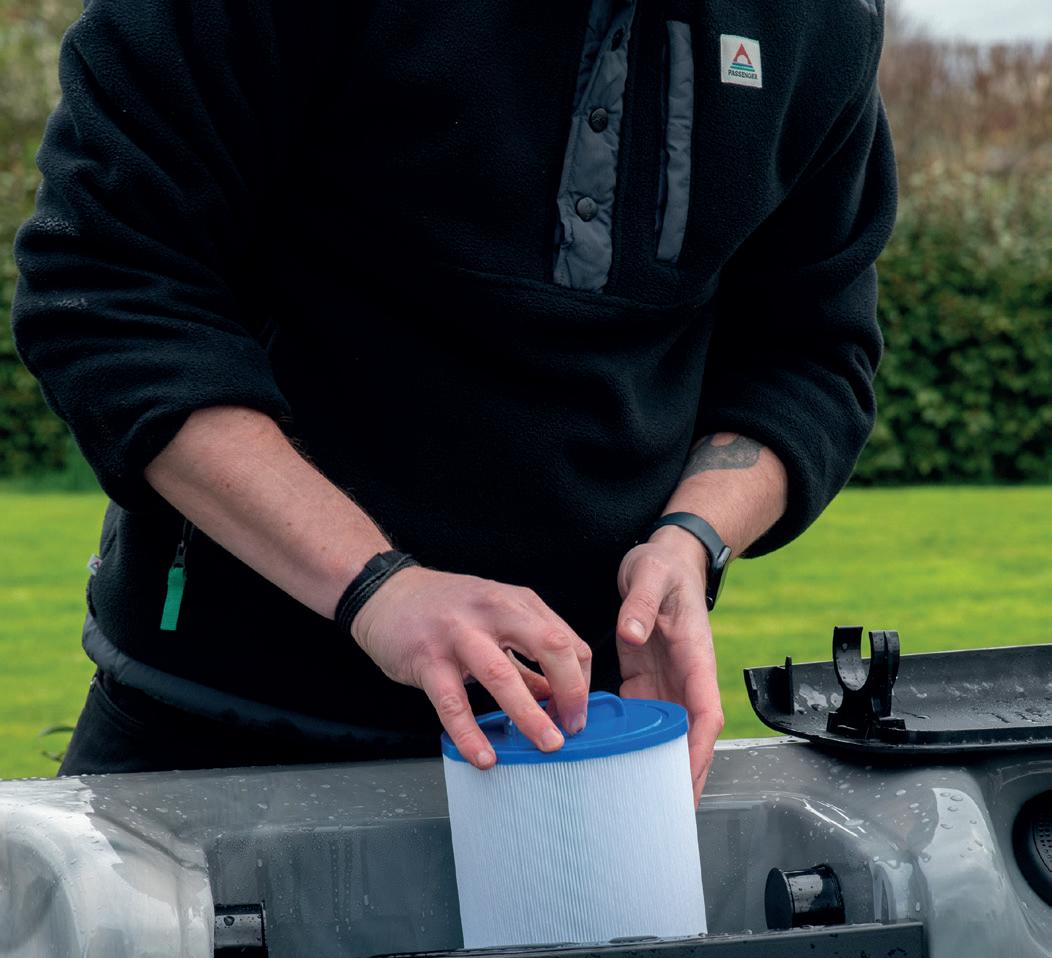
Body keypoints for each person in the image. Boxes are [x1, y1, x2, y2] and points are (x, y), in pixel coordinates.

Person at [13, 1, 896, 802]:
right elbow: (111, 288)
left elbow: (811, 353)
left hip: (576, 749)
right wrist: (377, 587)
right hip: (215, 729)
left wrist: (692, 540)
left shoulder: (819, 26)